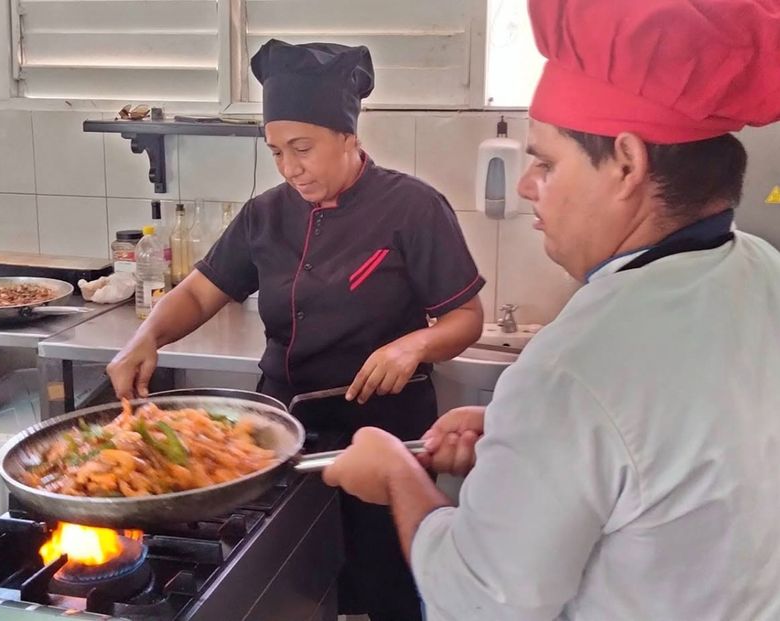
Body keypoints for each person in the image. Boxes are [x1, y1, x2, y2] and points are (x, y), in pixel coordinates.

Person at [322, 0, 780, 619]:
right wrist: (521, 438)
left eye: (546, 162)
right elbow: (666, 458)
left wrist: (397, 475)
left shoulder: (574, 369)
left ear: (626, 163)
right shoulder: (761, 269)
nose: (526, 185)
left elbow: (478, 603)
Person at [106, 39, 485, 620]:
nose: (289, 167)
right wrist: (146, 337)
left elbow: (465, 319)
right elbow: (204, 290)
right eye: (277, 151)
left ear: (349, 137)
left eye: (302, 149)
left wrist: (415, 344)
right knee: (288, 588)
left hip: (383, 437)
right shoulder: (265, 213)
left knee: (390, 591)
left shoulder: (414, 208)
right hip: (282, 437)